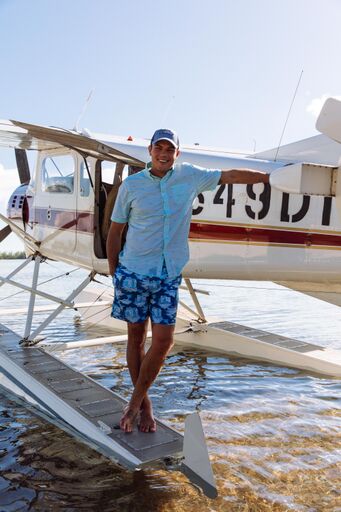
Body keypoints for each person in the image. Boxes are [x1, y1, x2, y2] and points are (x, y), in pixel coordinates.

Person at [106, 128, 269, 433]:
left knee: (164, 341)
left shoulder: (190, 176)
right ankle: (145, 406)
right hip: (133, 273)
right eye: (159, 148)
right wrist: (115, 273)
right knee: (136, 338)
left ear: (177, 154)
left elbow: (230, 176)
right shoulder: (132, 185)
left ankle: (133, 402)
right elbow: (115, 232)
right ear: (150, 151)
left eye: (170, 149)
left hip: (168, 276)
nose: (164, 154)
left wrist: (270, 178)